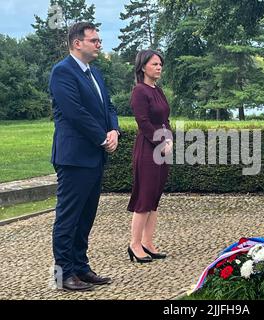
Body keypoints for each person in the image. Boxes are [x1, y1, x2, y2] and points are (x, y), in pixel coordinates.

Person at [49, 22, 120, 291]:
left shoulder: (95, 73)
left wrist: (114, 129)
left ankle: (80, 268)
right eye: (94, 40)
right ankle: (61, 276)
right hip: (74, 157)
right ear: (77, 43)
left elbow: (108, 106)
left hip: (94, 157)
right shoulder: (62, 72)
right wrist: (102, 138)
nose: (99, 44)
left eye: (99, 40)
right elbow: (74, 112)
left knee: (85, 217)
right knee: (68, 218)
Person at [127, 49, 173, 263]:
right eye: (155, 64)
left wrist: (169, 139)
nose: (159, 67)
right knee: (144, 198)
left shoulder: (159, 91)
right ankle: (134, 244)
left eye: (160, 64)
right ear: (143, 66)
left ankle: (148, 242)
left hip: (162, 150)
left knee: (154, 198)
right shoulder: (139, 91)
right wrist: (160, 142)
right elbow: (143, 123)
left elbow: (166, 120)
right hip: (147, 150)